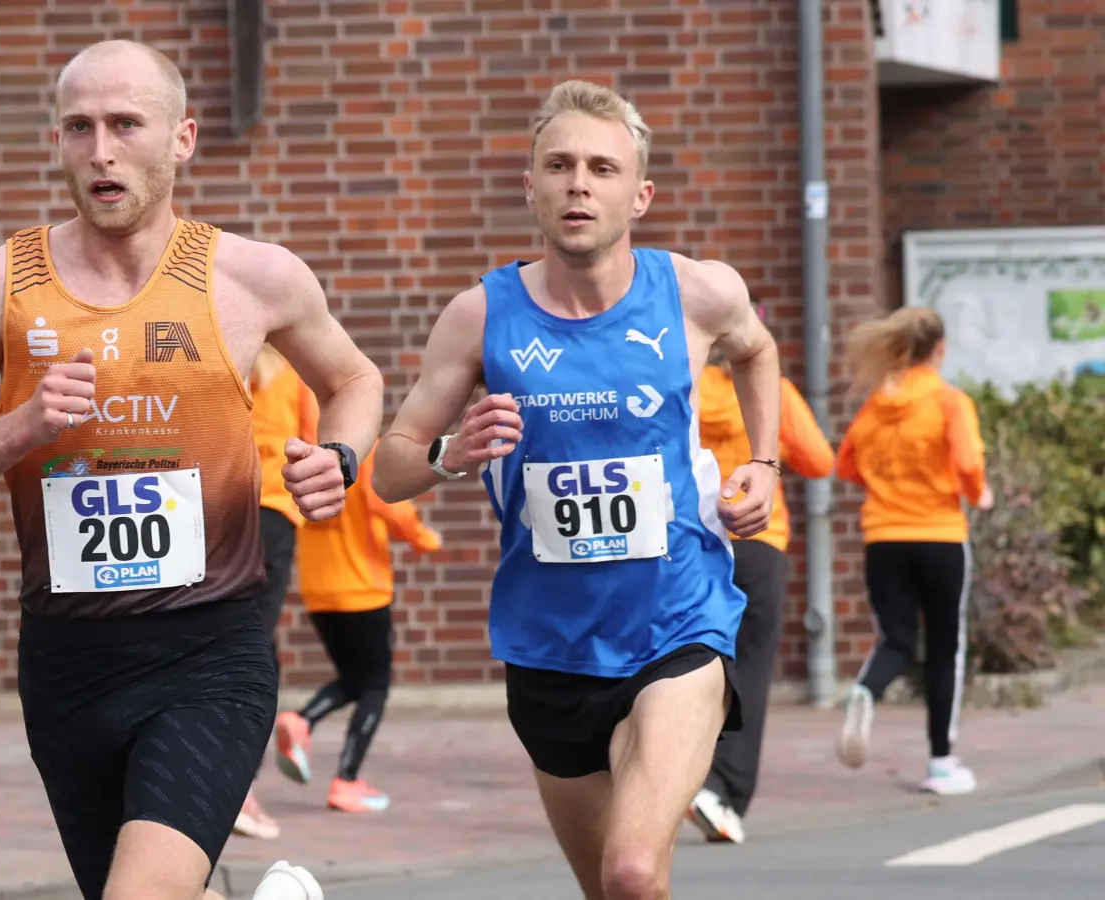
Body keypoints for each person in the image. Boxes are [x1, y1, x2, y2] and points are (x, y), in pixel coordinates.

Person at [0, 39, 382, 900]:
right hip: (66, 659)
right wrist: (21, 426)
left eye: (125, 125)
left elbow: (355, 379)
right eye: (79, 128)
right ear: (57, 142)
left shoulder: (253, 277)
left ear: (183, 138)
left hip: (213, 649)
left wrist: (340, 458)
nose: (100, 151)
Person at [369, 79, 781, 900]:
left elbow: (756, 349)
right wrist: (456, 452)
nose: (579, 183)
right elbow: (389, 467)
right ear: (532, 186)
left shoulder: (698, 292)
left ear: (640, 193)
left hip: (678, 622)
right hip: (549, 647)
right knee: (608, 889)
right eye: (558, 165)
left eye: (602, 167)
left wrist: (764, 464)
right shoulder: (480, 317)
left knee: (632, 874)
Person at [687, 298, 835, 844]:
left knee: (685, 667)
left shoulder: (685, 386)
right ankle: (722, 791)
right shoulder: (773, 391)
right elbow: (819, 460)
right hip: (756, 541)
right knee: (748, 669)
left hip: (694, 541)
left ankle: (670, 774)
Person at [834, 306, 991, 796]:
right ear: (939, 350)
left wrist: (885, 484)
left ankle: (867, 690)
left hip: (884, 537)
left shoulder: (876, 407)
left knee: (896, 641)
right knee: (945, 647)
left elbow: (845, 465)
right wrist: (978, 490)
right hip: (940, 534)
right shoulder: (949, 401)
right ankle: (941, 763)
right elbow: (967, 461)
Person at [272, 440, 442, 813]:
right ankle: (346, 781)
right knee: (375, 685)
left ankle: (301, 720)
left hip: (318, 589)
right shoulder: (357, 450)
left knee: (352, 679)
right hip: (363, 586)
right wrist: (424, 539)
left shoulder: (300, 452)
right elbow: (390, 505)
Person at [232, 343, 320, 841]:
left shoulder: (214, 354)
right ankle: (236, 785)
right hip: (270, 508)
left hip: (216, 506)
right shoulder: (292, 371)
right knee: (253, 650)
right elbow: (312, 442)